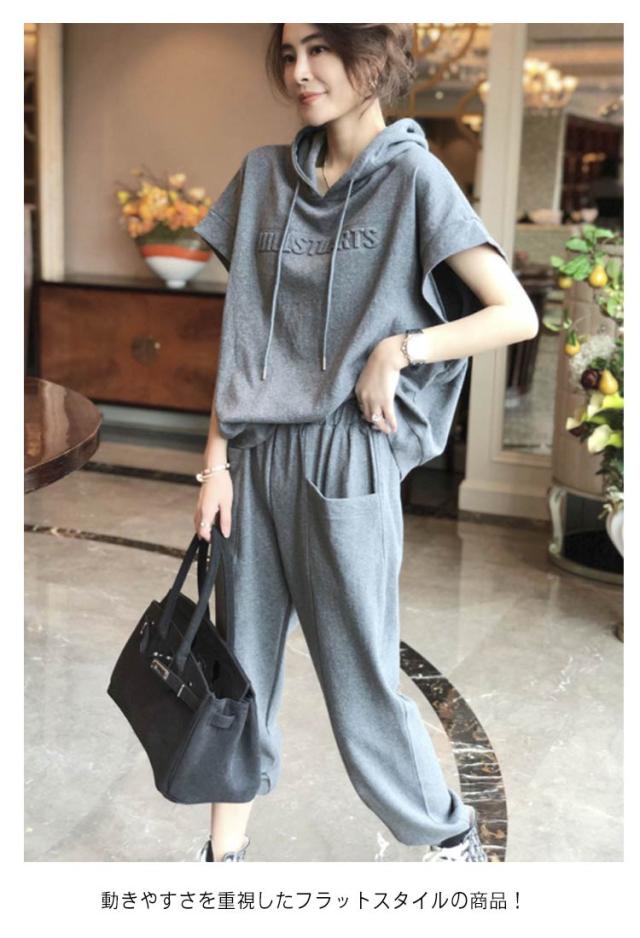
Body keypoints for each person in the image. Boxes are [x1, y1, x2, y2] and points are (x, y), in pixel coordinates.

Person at [192, 23, 538, 863]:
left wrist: (401, 348)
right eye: (288, 53)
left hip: (346, 458)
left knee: (360, 680)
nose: (300, 71)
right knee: (237, 671)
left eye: (320, 49)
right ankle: (221, 863)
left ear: (373, 56)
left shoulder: (415, 178)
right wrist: (214, 460)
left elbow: (516, 314)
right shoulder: (263, 176)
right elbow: (242, 337)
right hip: (253, 459)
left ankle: (447, 837)